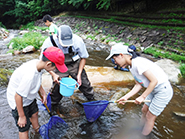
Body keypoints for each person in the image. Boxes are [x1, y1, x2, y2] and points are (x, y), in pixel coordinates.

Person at [106, 43, 173, 137]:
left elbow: (154, 81)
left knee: (150, 116)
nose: (115, 62)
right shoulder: (131, 66)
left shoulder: (138, 63)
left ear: (121, 55)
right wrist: (125, 97)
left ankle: (143, 136)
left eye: (114, 58)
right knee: (144, 110)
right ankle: (140, 128)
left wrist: (142, 96)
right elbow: (138, 85)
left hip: (162, 90)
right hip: (153, 90)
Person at [7, 46, 67, 139]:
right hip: (18, 102)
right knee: (24, 128)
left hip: (28, 97)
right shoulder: (29, 76)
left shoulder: (38, 64)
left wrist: (42, 92)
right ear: (48, 64)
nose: (55, 70)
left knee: (35, 113)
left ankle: (37, 132)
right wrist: (21, 116)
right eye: (55, 67)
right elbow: (18, 96)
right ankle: (26, 129)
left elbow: (37, 80)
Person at [40, 25, 95, 114]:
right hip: (57, 65)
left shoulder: (78, 41)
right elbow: (43, 62)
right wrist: (53, 74)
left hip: (74, 63)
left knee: (85, 84)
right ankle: (52, 107)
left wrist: (79, 74)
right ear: (57, 37)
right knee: (57, 86)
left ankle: (92, 101)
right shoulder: (49, 43)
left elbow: (83, 58)